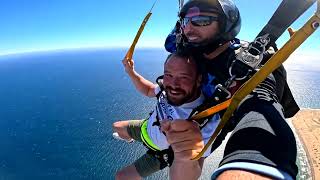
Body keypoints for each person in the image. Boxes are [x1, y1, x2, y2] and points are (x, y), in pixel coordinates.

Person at [161, 0, 300, 179]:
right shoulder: (186, 45)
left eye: (202, 20)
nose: (189, 29)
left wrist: (254, 165)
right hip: (197, 111)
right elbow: (172, 41)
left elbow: (259, 101)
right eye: (186, 22)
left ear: (225, 25)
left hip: (220, 119)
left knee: (186, 162)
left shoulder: (243, 65)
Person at [113, 53, 220, 180]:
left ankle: (132, 138)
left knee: (121, 177)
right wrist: (131, 72)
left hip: (161, 153)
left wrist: (184, 157)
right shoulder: (165, 87)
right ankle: (130, 139)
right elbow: (149, 90)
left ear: (198, 80)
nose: (173, 84)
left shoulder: (207, 120)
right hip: (146, 128)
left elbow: (188, 174)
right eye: (169, 75)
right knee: (116, 127)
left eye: (184, 77)